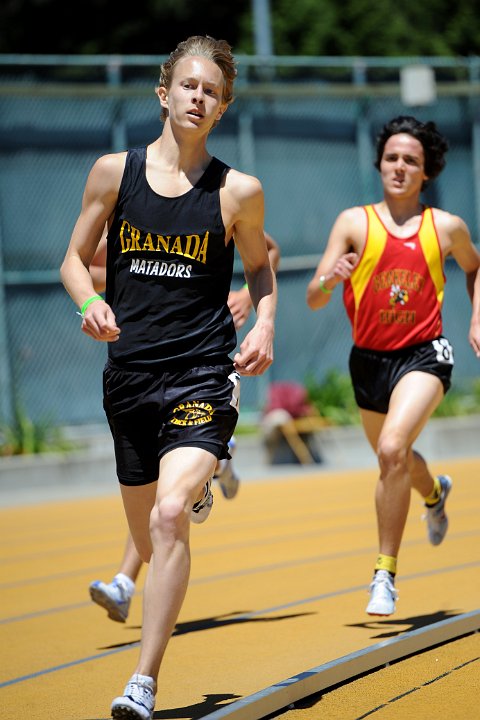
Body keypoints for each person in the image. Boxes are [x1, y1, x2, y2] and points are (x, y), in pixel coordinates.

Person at [60, 35, 276, 720]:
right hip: (129, 379)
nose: (197, 98)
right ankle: (196, 485)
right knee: (152, 538)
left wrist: (265, 324)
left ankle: (144, 681)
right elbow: (73, 258)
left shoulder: (236, 191)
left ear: (223, 107)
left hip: (201, 373)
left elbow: (260, 270)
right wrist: (90, 301)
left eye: (210, 91)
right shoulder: (112, 174)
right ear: (164, 93)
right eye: (187, 85)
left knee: (168, 512)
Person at [306, 115, 480, 617]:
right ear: (379, 163)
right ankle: (435, 492)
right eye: (392, 158)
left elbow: (475, 266)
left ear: (427, 172)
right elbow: (315, 299)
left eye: (411, 161)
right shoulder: (353, 223)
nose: (399, 167)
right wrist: (330, 279)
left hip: (425, 354)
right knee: (395, 460)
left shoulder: (445, 227)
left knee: (390, 448)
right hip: (368, 362)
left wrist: (475, 321)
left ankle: (385, 574)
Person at [88, 230, 280, 623]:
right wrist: (126, 285)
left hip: (196, 362)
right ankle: (217, 463)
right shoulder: (125, 207)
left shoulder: (208, 196)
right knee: (156, 489)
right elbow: (89, 267)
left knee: (170, 495)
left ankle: (125, 580)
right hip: (141, 368)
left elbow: (267, 253)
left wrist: (245, 295)